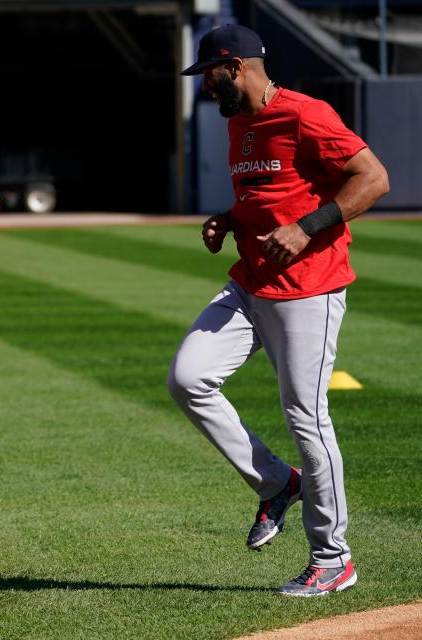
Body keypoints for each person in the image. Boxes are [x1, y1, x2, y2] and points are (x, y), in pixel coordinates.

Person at [168, 25, 389, 596]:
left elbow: (374, 178)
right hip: (251, 285)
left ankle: (333, 557)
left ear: (236, 66)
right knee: (188, 379)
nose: (205, 88)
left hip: (307, 289)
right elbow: (266, 196)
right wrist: (229, 218)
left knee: (307, 419)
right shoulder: (240, 121)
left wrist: (307, 228)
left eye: (210, 76)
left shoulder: (305, 114)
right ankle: (276, 484)